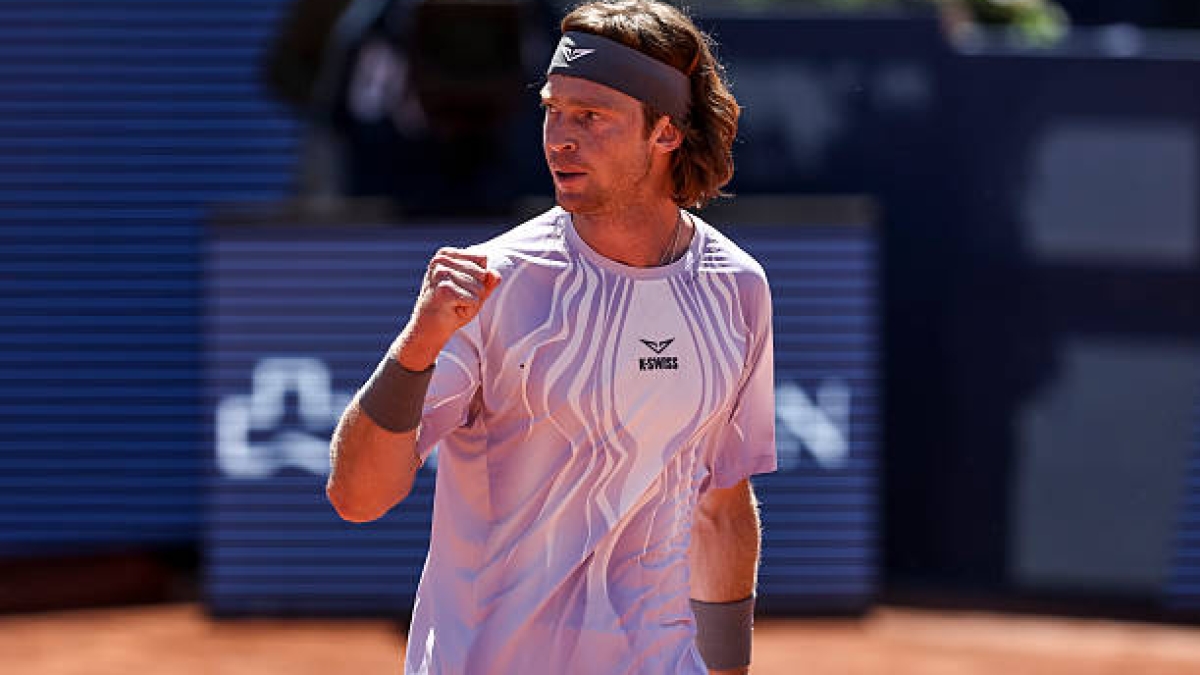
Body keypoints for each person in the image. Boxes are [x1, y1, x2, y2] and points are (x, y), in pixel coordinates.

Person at [326, 1, 776, 673]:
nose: (559, 137)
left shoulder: (736, 288)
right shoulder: (495, 284)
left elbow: (721, 508)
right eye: (552, 109)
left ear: (665, 132)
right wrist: (417, 347)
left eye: (590, 116)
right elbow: (357, 497)